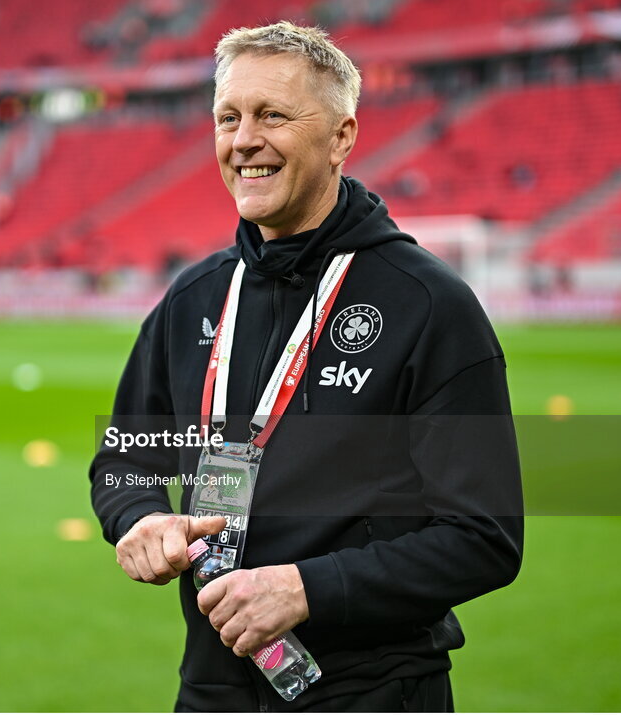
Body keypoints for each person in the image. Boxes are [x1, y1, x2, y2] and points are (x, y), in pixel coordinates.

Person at [90, 21, 523, 712]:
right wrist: (138, 516)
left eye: (272, 115)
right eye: (228, 117)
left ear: (341, 137)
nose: (243, 140)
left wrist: (308, 589)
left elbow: (483, 538)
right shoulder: (193, 297)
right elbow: (126, 456)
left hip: (372, 692)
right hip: (211, 687)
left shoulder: (426, 304)